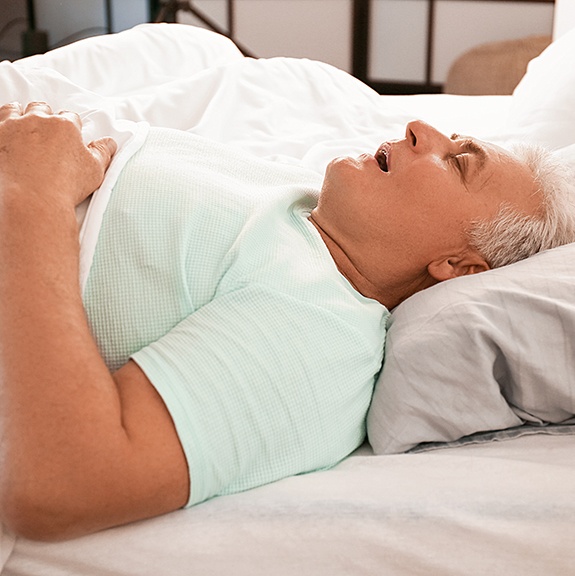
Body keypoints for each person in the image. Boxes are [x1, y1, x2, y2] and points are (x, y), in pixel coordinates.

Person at [0, 101, 573, 543]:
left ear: (459, 265)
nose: (421, 127)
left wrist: (32, 192)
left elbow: (67, 483)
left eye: (458, 161)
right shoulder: (301, 208)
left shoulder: (323, 334)